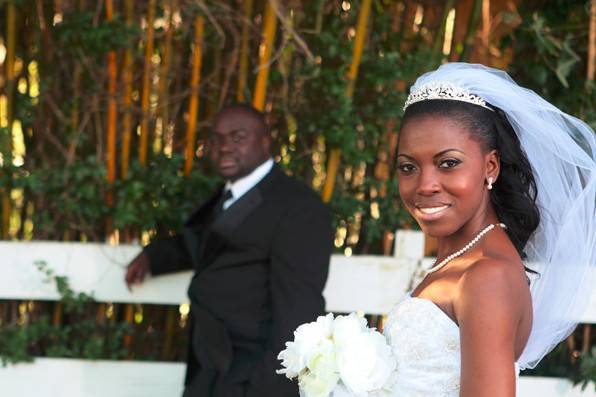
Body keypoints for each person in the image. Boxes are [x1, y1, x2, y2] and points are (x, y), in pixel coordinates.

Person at [376, 63, 594, 396]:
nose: (425, 185)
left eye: (448, 163)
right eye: (409, 167)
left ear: (489, 166)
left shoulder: (486, 275)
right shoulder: (463, 260)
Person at [125, 103, 334, 397]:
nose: (224, 147)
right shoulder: (232, 194)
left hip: (250, 377)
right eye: (216, 139)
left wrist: (267, 388)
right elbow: (207, 242)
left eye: (237, 137)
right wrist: (153, 256)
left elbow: (298, 314)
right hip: (210, 370)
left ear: (265, 142)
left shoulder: (298, 208)